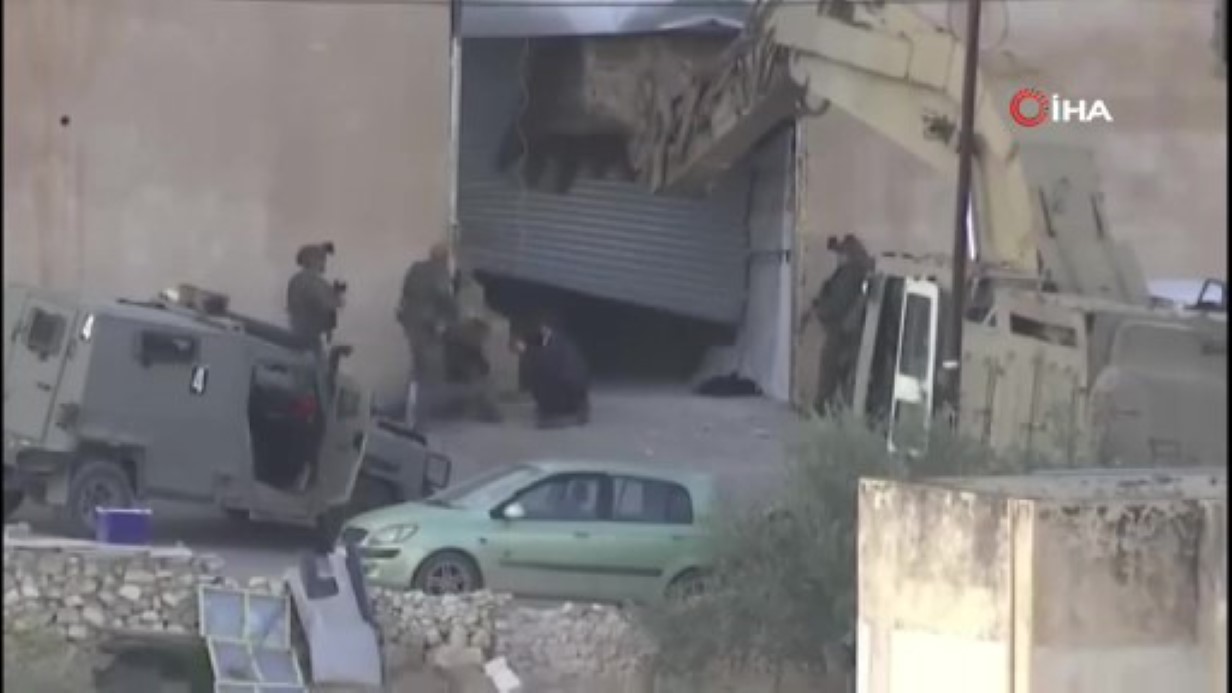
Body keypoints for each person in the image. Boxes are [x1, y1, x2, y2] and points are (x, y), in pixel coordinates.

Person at [397, 244, 500, 426]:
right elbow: (444, 297)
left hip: (412, 325)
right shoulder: (439, 272)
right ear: (445, 259)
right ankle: (420, 419)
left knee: (419, 370)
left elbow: (407, 294)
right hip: (430, 328)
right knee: (433, 372)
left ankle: (412, 411)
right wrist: (458, 317)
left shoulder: (415, 269)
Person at [801, 234, 872, 415]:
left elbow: (837, 304)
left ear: (847, 254)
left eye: (840, 253)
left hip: (840, 334)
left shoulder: (849, 274)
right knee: (841, 380)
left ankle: (821, 414)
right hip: (848, 335)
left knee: (829, 378)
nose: (838, 257)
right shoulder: (857, 272)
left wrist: (819, 312)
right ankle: (833, 413)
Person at [515, 313, 590, 429]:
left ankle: (553, 409)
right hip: (567, 399)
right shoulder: (565, 345)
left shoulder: (542, 342)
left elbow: (522, 346)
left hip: (551, 400)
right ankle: (568, 411)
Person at [286, 242, 345, 352]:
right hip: (308, 338)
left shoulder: (296, 279)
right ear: (313, 260)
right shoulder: (313, 281)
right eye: (322, 259)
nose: (324, 263)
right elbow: (332, 304)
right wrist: (337, 294)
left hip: (299, 333)